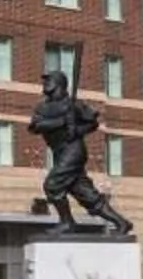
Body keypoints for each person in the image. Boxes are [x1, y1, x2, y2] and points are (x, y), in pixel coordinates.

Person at [27, 70, 134, 235]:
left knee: (53, 185)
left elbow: (93, 123)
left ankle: (67, 223)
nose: (45, 84)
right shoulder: (43, 107)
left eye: (48, 80)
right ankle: (122, 222)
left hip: (73, 150)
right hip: (59, 152)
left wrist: (77, 130)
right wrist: (62, 122)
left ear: (58, 83)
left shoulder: (74, 104)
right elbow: (35, 127)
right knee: (85, 194)